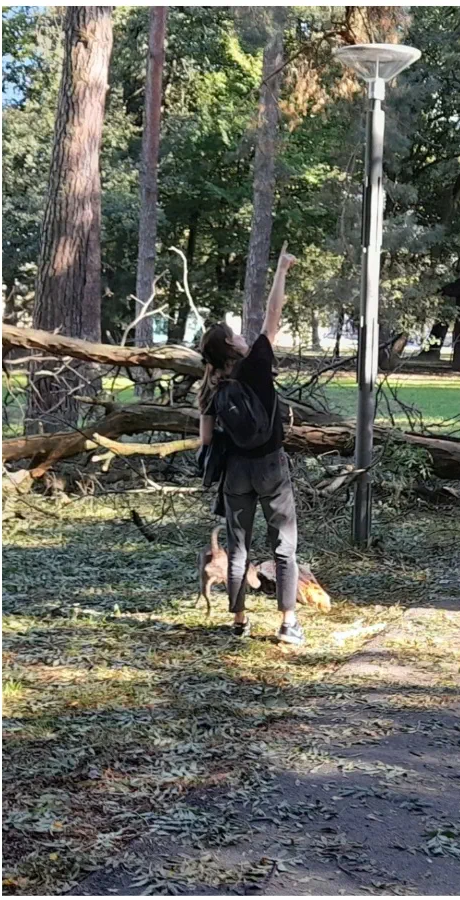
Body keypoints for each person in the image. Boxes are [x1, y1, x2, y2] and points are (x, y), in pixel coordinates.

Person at [198, 245, 302, 644]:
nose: (243, 335)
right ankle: (288, 623)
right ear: (233, 347)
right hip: (271, 466)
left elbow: (206, 440)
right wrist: (281, 270)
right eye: (236, 335)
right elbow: (273, 314)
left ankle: (239, 621)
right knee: (283, 547)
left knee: (238, 549)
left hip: (235, 473)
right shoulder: (256, 363)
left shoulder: (211, 387)